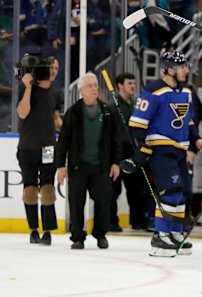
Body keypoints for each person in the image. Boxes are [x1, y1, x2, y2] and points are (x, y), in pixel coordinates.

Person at [124, 50, 202, 257]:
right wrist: (143, 150)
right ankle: (160, 236)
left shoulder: (186, 92)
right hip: (160, 150)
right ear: (170, 69)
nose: (186, 70)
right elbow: (137, 125)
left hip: (180, 150)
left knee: (183, 192)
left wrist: (196, 139)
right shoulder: (153, 91)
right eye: (182, 67)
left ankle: (174, 231)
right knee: (170, 191)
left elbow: (188, 121)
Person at [56, 72, 121, 250]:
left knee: (103, 201)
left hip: (101, 166)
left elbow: (116, 139)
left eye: (95, 85)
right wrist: (61, 166)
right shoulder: (73, 112)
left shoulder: (108, 111)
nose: (94, 88)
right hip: (78, 166)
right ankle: (77, 237)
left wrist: (116, 162)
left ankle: (100, 234)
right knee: (76, 203)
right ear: (81, 91)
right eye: (90, 86)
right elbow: (63, 141)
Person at [16, 56, 62, 245]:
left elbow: (57, 120)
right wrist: (27, 87)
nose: (53, 70)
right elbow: (22, 112)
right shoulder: (27, 88)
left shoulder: (56, 93)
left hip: (48, 147)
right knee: (29, 189)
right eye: (50, 67)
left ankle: (48, 231)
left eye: (56, 68)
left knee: (48, 188)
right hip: (27, 147)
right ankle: (33, 229)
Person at [109, 72, 149, 231]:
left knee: (136, 190)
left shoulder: (135, 105)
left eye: (134, 83)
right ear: (119, 86)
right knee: (113, 190)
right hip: (117, 152)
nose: (133, 86)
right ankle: (111, 221)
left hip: (133, 152)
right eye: (129, 83)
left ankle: (138, 220)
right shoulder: (113, 106)